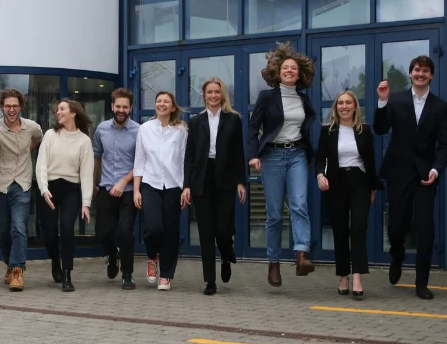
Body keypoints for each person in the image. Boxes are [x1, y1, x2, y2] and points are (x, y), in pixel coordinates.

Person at [374, 55, 447, 300]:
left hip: (426, 175)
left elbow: (445, 146)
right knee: (397, 226)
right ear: (410, 74)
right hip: (398, 172)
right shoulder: (395, 100)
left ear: (431, 76)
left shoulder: (441, 106)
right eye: (417, 70)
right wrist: (382, 101)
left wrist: (436, 169)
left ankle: (422, 282)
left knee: (426, 228)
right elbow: (380, 129)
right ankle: (397, 256)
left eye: (425, 71)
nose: (421, 74)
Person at [246, 41, 317, 287]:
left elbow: (304, 130)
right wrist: (253, 154)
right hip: (272, 157)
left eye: (293, 68)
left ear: (299, 74)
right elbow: (253, 128)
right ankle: (274, 262)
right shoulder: (267, 97)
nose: (289, 71)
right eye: (285, 67)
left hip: (296, 154)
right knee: (275, 214)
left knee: (299, 205)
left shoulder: (303, 99)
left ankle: (301, 255)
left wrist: (308, 156)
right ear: (278, 72)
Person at [314, 90, 382, 299]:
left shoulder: (365, 130)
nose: (344, 106)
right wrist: (320, 175)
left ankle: (357, 277)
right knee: (340, 230)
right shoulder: (327, 131)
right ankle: (343, 275)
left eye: (348, 103)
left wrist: (373, 189)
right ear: (336, 107)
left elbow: (371, 163)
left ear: (354, 107)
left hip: (359, 182)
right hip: (336, 183)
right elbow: (319, 159)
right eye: (340, 103)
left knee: (358, 228)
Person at [183, 78, 246, 295]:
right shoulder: (195, 121)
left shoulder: (233, 119)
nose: (213, 95)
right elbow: (189, 155)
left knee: (223, 230)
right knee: (206, 232)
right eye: (209, 92)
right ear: (204, 95)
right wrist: (187, 185)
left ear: (222, 95)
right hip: (202, 179)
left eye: (216, 92)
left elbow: (238, 152)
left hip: (225, 178)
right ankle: (210, 280)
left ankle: (226, 255)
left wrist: (240, 181)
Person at [0, 88, 43, 292]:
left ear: (21, 107)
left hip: (22, 183)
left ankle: (18, 269)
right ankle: (9, 264)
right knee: (2, 232)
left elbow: (38, 139)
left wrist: (28, 150)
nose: (12, 109)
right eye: (8, 106)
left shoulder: (31, 127)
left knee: (19, 227)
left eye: (15, 106)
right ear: (2, 107)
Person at [36, 99, 94, 292]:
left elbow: (86, 174)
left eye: (62, 109)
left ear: (73, 113)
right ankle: (55, 259)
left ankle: (67, 273)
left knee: (67, 227)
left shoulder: (84, 141)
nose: (58, 112)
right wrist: (44, 189)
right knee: (50, 233)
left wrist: (86, 203)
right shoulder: (50, 135)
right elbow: (41, 164)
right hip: (50, 188)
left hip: (71, 189)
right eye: (57, 110)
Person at [134, 91, 189, 291]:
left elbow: (184, 160)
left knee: (171, 232)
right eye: (159, 101)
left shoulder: (181, 130)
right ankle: (151, 256)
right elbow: (139, 160)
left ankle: (166, 275)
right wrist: (136, 190)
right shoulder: (145, 129)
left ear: (173, 107)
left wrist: (185, 188)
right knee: (153, 228)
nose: (162, 104)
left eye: (166, 101)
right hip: (150, 184)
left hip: (173, 186)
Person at [92, 88, 141, 290]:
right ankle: (113, 255)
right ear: (112, 106)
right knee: (102, 233)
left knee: (125, 231)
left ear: (131, 108)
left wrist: (123, 182)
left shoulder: (139, 131)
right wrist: (93, 184)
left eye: (125, 107)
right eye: (118, 106)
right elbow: (96, 157)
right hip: (106, 189)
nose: (121, 110)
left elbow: (142, 163)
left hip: (128, 191)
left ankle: (127, 274)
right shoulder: (102, 129)